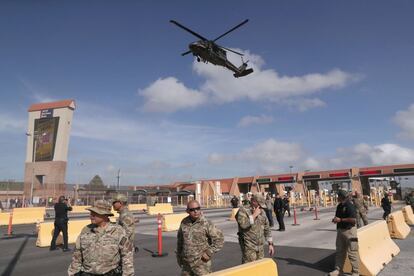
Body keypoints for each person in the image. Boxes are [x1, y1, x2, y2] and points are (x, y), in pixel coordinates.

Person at [68, 200, 134, 276]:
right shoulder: (86, 230)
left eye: (95, 213)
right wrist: (73, 273)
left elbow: (127, 256)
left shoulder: (117, 231)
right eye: (91, 213)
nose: (91, 216)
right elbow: (77, 256)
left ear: (105, 215)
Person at [176, 200, 224, 276]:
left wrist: (209, 253)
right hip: (187, 264)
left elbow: (219, 239)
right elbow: (180, 240)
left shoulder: (206, 223)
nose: (195, 211)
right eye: (192, 210)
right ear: (187, 211)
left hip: (201, 264)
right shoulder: (184, 222)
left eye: (198, 208)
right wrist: (179, 256)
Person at [236, 194, 274, 264]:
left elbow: (267, 229)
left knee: (259, 269)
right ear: (254, 201)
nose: (261, 207)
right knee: (248, 269)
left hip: (260, 247)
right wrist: (254, 215)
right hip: (249, 247)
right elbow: (243, 225)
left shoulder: (262, 212)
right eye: (259, 204)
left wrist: (270, 244)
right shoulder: (243, 211)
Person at [329, 190, 359, 276]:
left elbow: (353, 220)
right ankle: (338, 270)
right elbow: (338, 217)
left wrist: (341, 220)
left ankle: (355, 272)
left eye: (338, 196)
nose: (337, 198)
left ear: (342, 197)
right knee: (339, 252)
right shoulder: (339, 206)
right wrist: (335, 219)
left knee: (352, 252)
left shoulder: (350, 205)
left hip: (349, 231)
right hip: (340, 231)